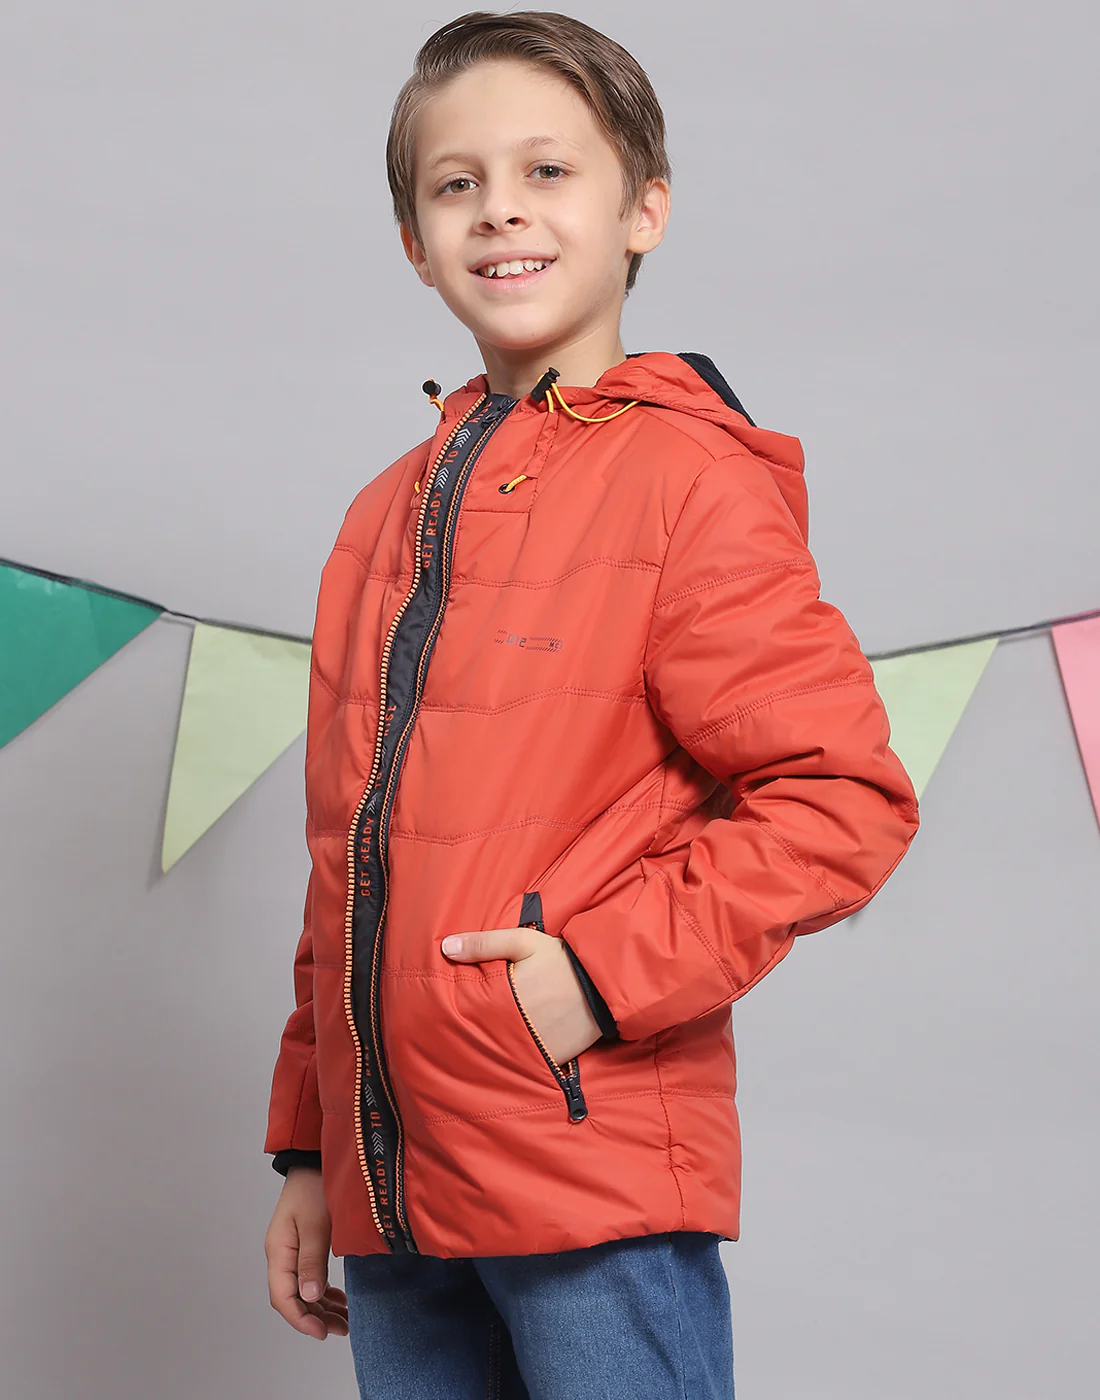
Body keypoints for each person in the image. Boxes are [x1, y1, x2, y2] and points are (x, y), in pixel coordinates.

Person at [262, 10, 920, 1398]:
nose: (500, 208)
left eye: (547, 171)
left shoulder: (689, 483)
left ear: (644, 212)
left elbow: (843, 800)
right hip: (396, 1195)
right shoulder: (376, 521)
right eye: (457, 183)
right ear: (413, 239)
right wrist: (313, 1150)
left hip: (589, 1176)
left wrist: (596, 980)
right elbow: (345, 866)